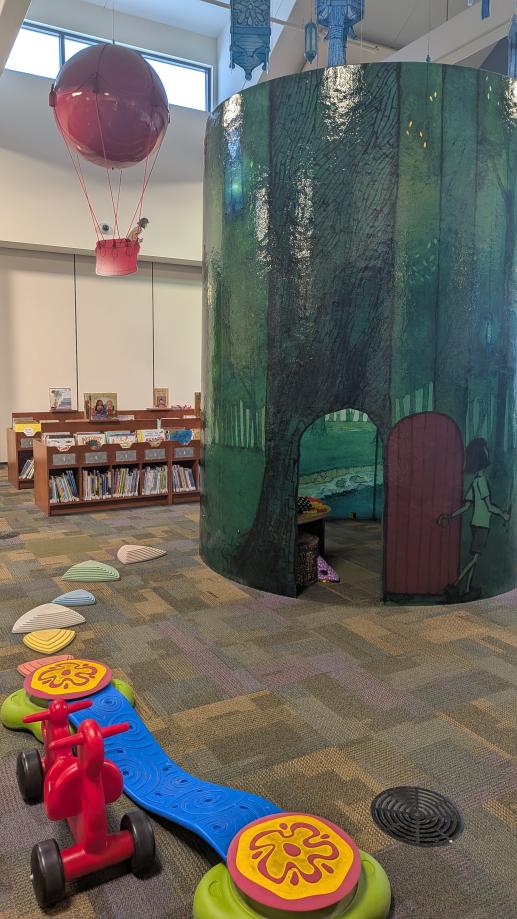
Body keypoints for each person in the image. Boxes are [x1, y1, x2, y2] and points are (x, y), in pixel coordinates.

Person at [437, 438, 511, 601]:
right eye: (485, 450)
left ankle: (468, 588)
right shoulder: (482, 482)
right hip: (482, 525)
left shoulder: (476, 482)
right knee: (475, 558)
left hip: (475, 524)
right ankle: (455, 585)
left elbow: (466, 506)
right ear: (481, 456)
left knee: (474, 558)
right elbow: (489, 507)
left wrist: (451, 515)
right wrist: (504, 514)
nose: (488, 452)